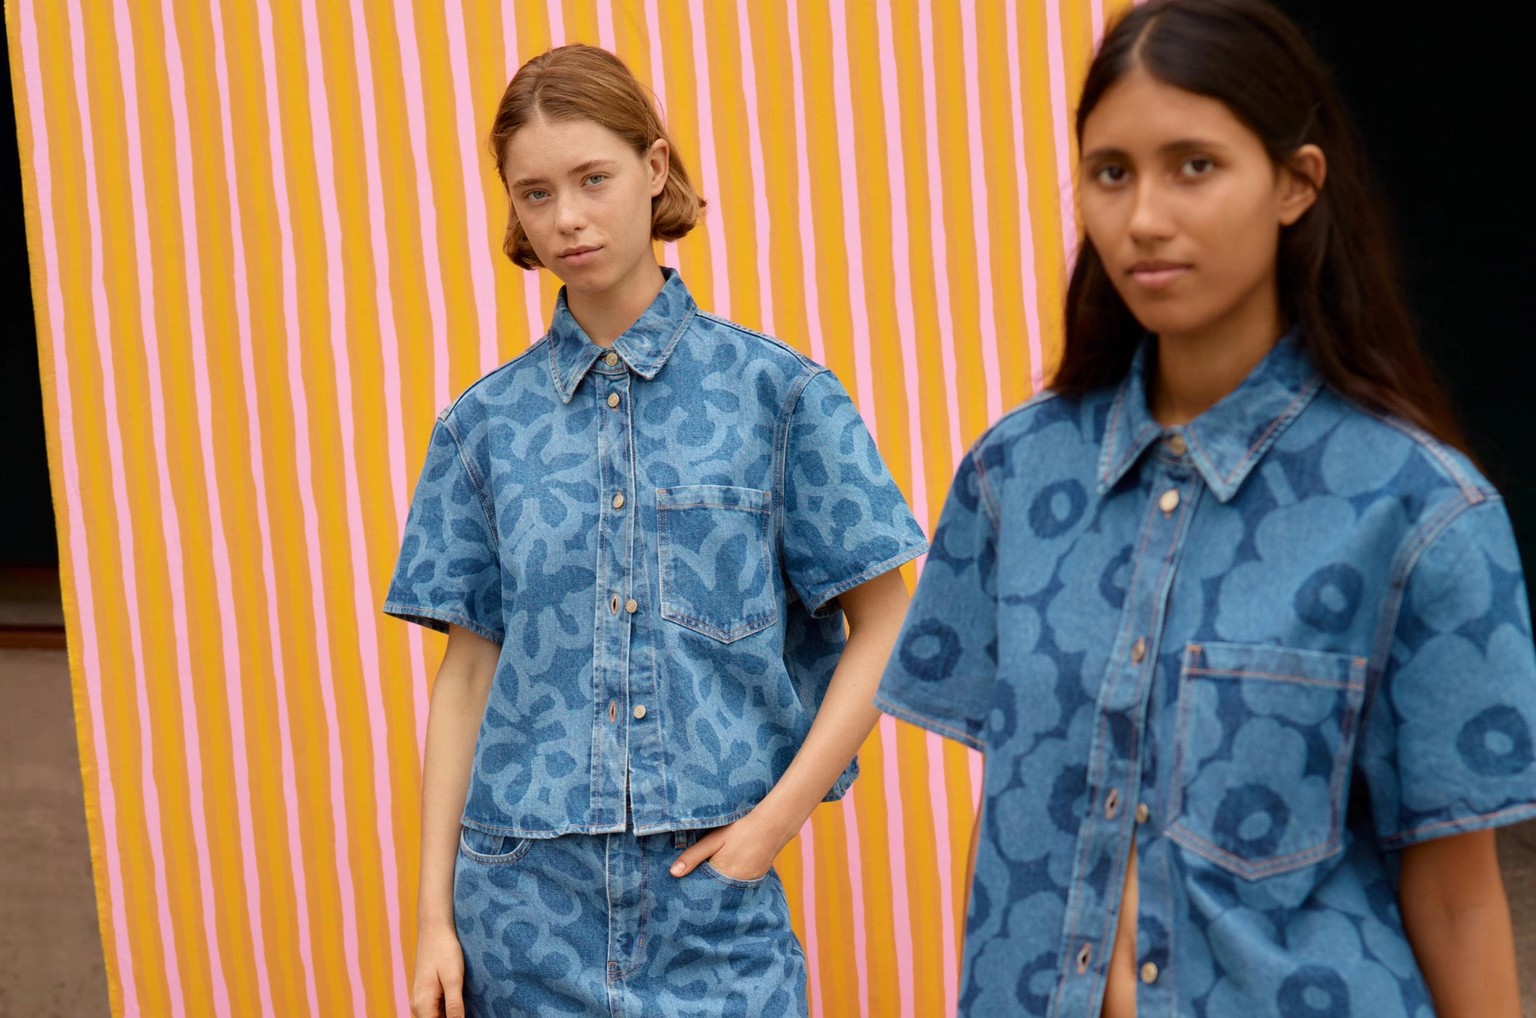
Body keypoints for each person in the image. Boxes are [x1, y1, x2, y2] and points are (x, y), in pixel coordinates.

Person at [876, 0, 1535, 1014]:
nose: (1144, 217)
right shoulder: (1015, 476)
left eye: (1194, 165)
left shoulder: (1421, 513)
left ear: (1295, 183)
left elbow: (1457, 900)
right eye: (1111, 172)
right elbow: (1015, 821)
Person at [384, 43, 927, 1018]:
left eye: (592, 178)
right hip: (519, 914)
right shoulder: (482, 428)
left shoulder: (780, 398)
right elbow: (466, 675)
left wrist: (772, 824)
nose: (567, 217)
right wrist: (432, 919)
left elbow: (887, 622)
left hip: (712, 914)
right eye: (535, 192)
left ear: (655, 167)